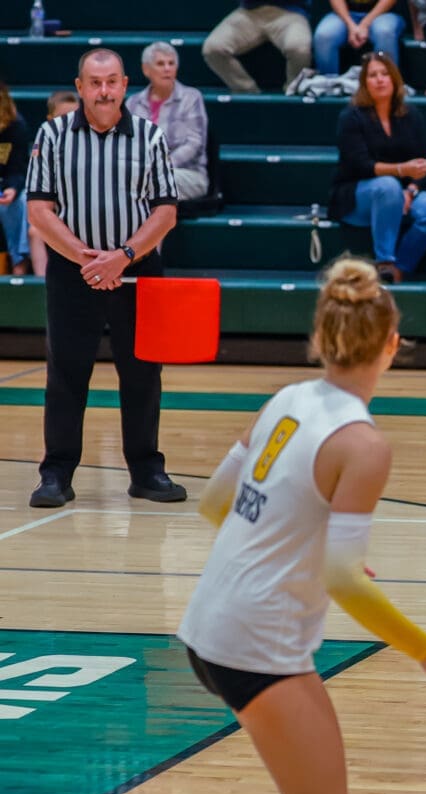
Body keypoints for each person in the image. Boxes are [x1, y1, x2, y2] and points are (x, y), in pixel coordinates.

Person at [179, 256, 426, 794]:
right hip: (255, 642)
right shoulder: (363, 445)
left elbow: (215, 502)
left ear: (321, 335)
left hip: (208, 623)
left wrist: (303, 548)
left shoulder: (286, 398)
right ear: (392, 344)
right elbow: (343, 579)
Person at [25, 48, 184, 508]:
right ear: (79, 87)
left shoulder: (150, 137)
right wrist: (86, 258)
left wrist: (123, 255)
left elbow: (167, 211)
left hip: (136, 272)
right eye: (94, 83)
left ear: (125, 84)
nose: (103, 91)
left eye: (111, 81)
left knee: (142, 373)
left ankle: (146, 469)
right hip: (74, 273)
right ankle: (56, 473)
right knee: (66, 373)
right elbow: (38, 209)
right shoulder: (52, 135)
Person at [327, 53, 426, 284]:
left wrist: (411, 190)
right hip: (356, 195)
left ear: (394, 80)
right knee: (387, 186)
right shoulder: (351, 117)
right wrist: (402, 170)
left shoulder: (411, 114)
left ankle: (398, 269)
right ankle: (384, 260)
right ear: (364, 83)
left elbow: (424, 159)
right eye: (373, 75)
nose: (380, 80)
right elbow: (360, 165)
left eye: (385, 74)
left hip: (402, 193)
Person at [126, 42, 210, 201]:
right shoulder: (133, 103)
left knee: (153, 182)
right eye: (160, 64)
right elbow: (126, 143)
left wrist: (162, 165)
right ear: (146, 69)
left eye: (171, 63)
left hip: (187, 174)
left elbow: (195, 143)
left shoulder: (191, 98)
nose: (167, 68)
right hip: (142, 172)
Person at [202, 0, 313, 94]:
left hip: (291, 13)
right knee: (213, 48)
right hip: (249, 12)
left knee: (298, 48)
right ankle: (248, 93)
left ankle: (293, 94)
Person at [27, 91, 78, 278]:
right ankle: (43, 281)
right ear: (50, 119)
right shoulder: (43, 144)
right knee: (35, 232)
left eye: (74, 117)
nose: (69, 123)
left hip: (77, 214)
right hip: (53, 211)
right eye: (63, 117)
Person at [314, 0, 406, 74]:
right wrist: (350, 25)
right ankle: (328, 87)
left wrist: (365, 24)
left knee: (383, 32)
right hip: (345, 13)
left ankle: (389, 83)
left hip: (383, 13)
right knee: (324, 36)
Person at [0, 83, 31, 277]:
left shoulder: (15, 126)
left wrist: (12, 187)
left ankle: (18, 260)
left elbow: (18, 169)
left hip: (4, 183)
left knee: (17, 203)